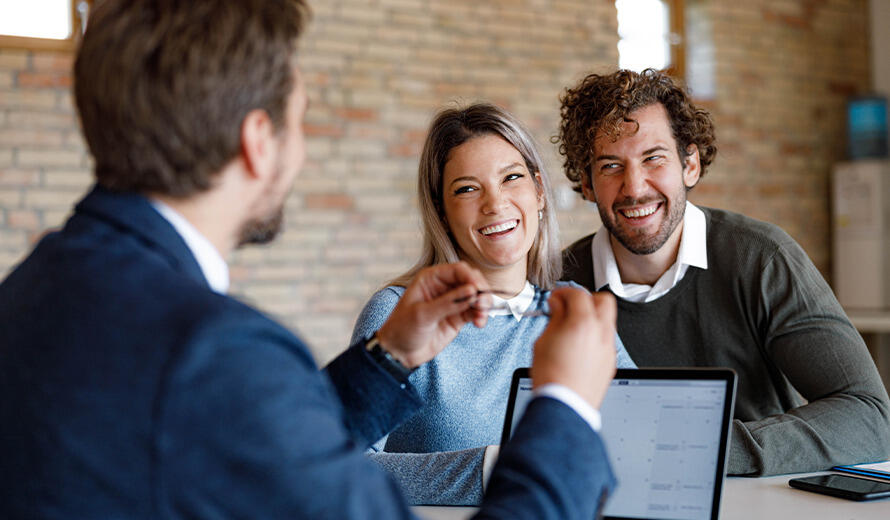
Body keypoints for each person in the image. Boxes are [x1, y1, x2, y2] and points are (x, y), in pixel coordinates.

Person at [0, 1, 621, 518]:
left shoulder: (30, 291)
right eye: (300, 122)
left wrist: (387, 362)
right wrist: (563, 408)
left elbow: (266, 448)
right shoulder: (219, 354)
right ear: (256, 143)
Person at [556, 68, 890, 477]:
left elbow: (871, 416)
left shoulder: (762, 259)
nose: (634, 186)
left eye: (653, 158)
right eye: (610, 166)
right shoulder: (559, 282)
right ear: (587, 184)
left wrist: (700, 451)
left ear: (690, 165)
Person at [351, 103, 636, 505]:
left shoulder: (574, 309)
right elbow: (343, 464)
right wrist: (497, 467)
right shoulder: (402, 314)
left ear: (539, 191)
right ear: (442, 211)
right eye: (467, 189)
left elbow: (642, 433)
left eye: (512, 178)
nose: (495, 203)